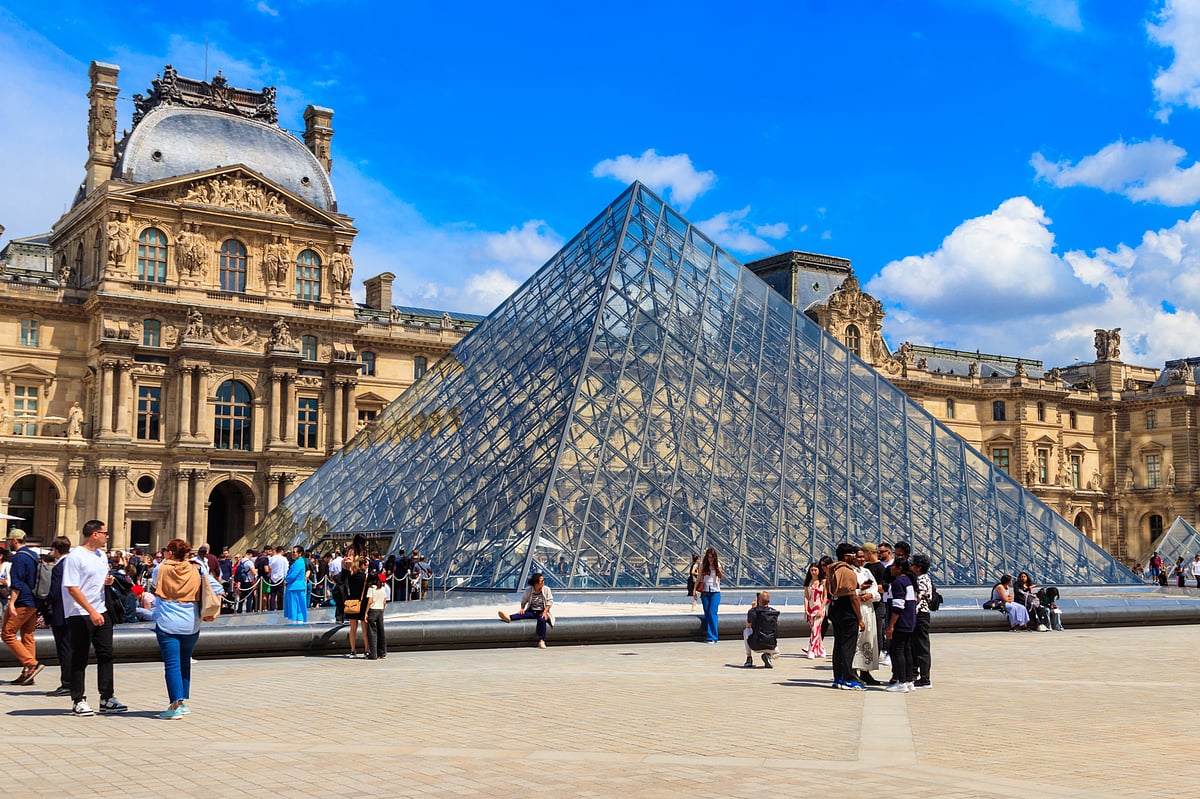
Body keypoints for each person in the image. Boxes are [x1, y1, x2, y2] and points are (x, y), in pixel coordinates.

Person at [152, 538, 223, 720]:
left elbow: (155, 585)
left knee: (172, 664)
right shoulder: (198, 568)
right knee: (184, 662)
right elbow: (217, 587)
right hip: (191, 624)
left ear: (169, 553)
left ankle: (174, 705)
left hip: (168, 622)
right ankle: (182, 703)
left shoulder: (160, 569)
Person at [63, 520, 126, 716]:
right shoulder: (75, 556)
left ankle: (107, 697)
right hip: (80, 613)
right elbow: (72, 588)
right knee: (80, 656)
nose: (108, 536)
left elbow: (94, 582)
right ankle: (78, 699)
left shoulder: (100, 556)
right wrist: (91, 611)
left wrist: (107, 582)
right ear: (94, 534)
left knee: (107, 654)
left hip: (101, 610)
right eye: (105, 533)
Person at [3, 529, 45, 686]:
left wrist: (12, 603)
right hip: (35, 600)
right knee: (27, 634)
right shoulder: (33, 554)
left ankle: (31, 663)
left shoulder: (19, 557)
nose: (8, 543)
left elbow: (18, 582)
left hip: (23, 600)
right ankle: (28, 674)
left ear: (14, 541)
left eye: (9, 541)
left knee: (7, 633)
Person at [825, 542, 866, 690]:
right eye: (853, 555)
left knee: (838, 645)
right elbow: (853, 597)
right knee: (848, 646)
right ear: (846, 556)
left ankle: (838, 677)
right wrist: (860, 618)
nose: (855, 557)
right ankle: (848, 678)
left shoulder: (831, 570)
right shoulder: (848, 572)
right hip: (847, 610)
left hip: (835, 608)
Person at [41, 536, 74, 696]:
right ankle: (73, 682)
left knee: (64, 649)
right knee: (71, 648)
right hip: (73, 611)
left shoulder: (59, 567)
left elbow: (55, 592)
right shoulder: (72, 563)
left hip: (61, 613)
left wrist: (46, 602)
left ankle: (67, 683)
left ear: (55, 550)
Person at [884, 557, 917, 693]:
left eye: (893, 566)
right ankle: (909, 681)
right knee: (907, 651)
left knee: (897, 651)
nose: (890, 568)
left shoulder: (898, 582)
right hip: (909, 621)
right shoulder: (909, 581)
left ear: (899, 568)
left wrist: (891, 625)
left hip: (900, 621)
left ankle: (901, 682)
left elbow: (898, 606)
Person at [498, 572, 555, 648]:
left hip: (542, 611)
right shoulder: (529, 591)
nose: (543, 582)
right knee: (522, 614)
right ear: (536, 583)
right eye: (542, 581)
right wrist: (522, 608)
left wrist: (545, 612)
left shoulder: (546, 589)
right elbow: (524, 600)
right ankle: (508, 617)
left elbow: (550, 601)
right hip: (532, 611)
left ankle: (542, 641)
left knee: (542, 620)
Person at [852, 548, 882, 685]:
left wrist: (870, 595)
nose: (862, 560)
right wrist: (860, 591)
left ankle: (865, 671)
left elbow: (876, 590)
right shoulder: (850, 572)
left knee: (868, 640)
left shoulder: (867, 571)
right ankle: (853, 672)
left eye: (863, 557)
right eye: (859, 557)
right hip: (857, 609)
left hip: (869, 609)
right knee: (857, 641)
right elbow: (846, 591)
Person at [910, 554, 934, 689]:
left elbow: (917, 599)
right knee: (916, 646)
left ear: (918, 568)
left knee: (921, 647)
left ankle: (925, 678)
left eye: (912, 564)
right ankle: (917, 674)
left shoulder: (922, 580)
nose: (910, 566)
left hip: (920, 615)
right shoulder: (921, 578)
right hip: (920, 614)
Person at [743, 591, 779, 668]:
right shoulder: (774, 612)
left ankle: (749, 658)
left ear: (758, 600)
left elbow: (748, 625)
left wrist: (753, 609)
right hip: (771, 645)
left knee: (746, 631)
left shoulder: (753, 611)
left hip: (756, 645)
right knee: (776, 654)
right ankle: (768, 655)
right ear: (769, 601)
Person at [343, 557, 369, 657]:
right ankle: (366, 650)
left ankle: (353, 650)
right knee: (364, 630)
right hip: (362, 603)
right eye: (365, 565)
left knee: (352, 629)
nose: (366, 567)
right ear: (361, 565)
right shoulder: (365, 577)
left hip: (352, 603)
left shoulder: (350, 575)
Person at [696, 548, 722, 643]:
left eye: (712, 557)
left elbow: (719, 577)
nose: (710, 559)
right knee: (707, 614)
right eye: (709, 557)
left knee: (712, 613)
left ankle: (712, 637)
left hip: (715, 592)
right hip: (705, 592)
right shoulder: (703, 566)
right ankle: (709, 635)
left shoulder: (718, 565)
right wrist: (694, 590)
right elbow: (699, 578)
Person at [803, 562, 827, 659]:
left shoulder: (823, 582)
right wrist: (805, 610)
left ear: (819, 571)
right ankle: (821, 649)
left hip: (819, 607)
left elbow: (825, 596)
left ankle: (811, 650)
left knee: (815, 629)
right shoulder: (807, 582)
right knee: (816, 630)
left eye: (815, 570)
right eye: (811, 570)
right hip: (810, 608)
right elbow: (806, 597)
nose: (813, 572)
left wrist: (821, 609)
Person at [365, 569, 387, 659]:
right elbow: (385, 601)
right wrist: (382, 609)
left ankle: (373, 654)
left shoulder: (371, 589)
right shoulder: (382, 589)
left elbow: (370, 601)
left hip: (373, 611)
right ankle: (382, 652)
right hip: (380, 611)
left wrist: (366, 612)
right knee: (381, 631)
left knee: (372, 632)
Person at [283, 546, 308, 622]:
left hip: (294, 587)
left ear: (300, 553)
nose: (292, 554)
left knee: (294, 607)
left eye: (294, 552)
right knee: (299, 606)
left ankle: (294, 622)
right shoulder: (299, 561)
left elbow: (293, 574)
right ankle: (298, 621)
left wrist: (286, 581)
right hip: (297, 587)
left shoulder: (299, 562)